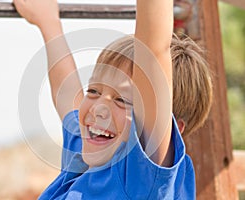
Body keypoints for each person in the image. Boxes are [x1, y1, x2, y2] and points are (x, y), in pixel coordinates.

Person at [13, 0, 212, 199]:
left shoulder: (142, 179)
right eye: (93, 91)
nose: (98, 108)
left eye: (121, 100)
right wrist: (48, 22)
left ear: (169, 128)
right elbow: (66, 91)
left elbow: (153, 51)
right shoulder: (86, 154)